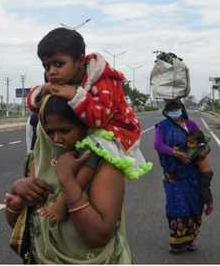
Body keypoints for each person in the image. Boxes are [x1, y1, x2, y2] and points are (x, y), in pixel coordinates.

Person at [24, 27, 152, 221]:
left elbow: (98, 119)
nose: (51, 72)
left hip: (117, 130)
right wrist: (42, 92)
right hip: (95, 127)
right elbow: (33, 105)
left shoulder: (104, 78)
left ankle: (63, 203)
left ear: (80, 61)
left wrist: (74, 95)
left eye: (59, 64)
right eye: (46, 66)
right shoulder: (60, 78)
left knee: (92, 150)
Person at [5, 95, 132, 263]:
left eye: (65, 130)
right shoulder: (38, 158)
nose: (56, 139)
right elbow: (26, 224)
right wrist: (16, 200)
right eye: (50, 131)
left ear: (85, 126)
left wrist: (67, 180)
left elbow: (98, 236)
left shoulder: (105, 165)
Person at [154, 99, 213, 254]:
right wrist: (176, 153)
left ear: (181, 109)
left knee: (195, 205)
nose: (174, 113)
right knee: (176, 206)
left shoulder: (191, 125)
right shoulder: (163, 126)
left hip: (193, 173)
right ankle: (177, 241)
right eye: (170, 111)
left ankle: (191, 238)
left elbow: (202, 142)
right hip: (174, 173)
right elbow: (158, 145)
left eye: (176, 109)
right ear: (166, 112)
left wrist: (203, 151)